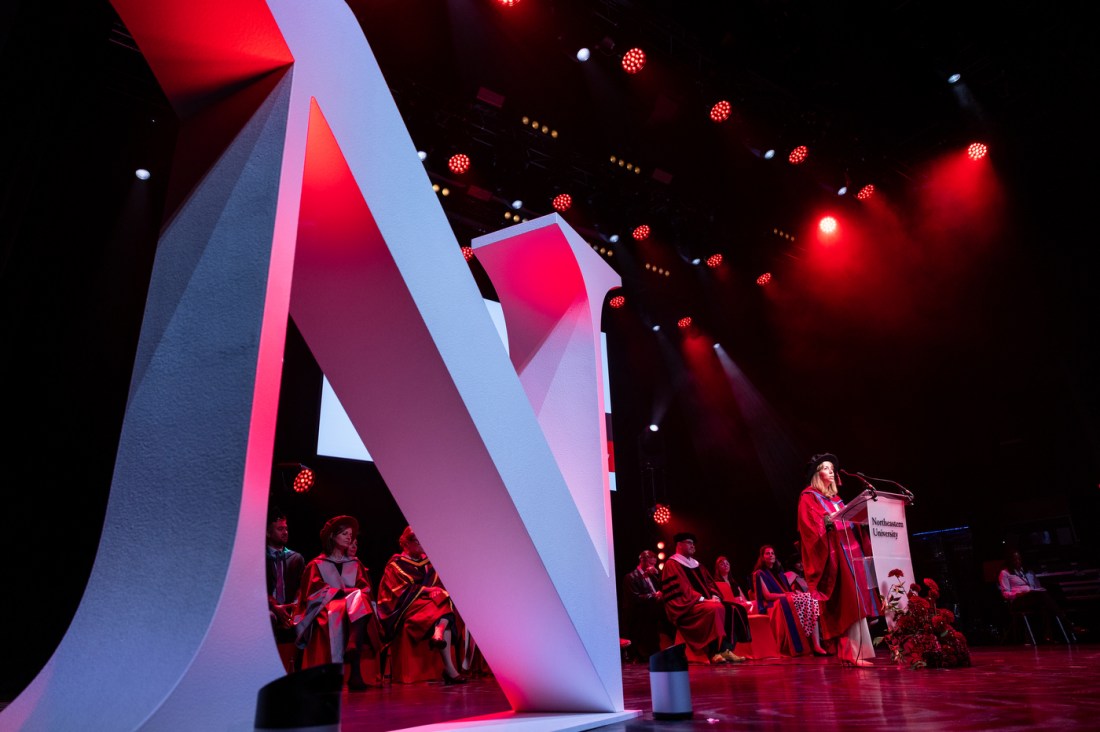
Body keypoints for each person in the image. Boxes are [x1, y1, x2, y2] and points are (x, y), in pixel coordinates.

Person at [797, 452, 879, 667]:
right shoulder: (809, 497)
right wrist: (828, 524)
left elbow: (848, 524)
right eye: (825, 467)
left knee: (857, 602)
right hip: (835, 558)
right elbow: (809, 529)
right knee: (847, 603)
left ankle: (855, 653)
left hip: (851, 555)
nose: (831, 471)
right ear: (816, 474)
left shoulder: (837, 500)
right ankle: (851, 653)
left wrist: (858, 522)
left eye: (832, 468)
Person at [294, 515, 379, 690]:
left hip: (354, 606)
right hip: (326, 606)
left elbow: (366, 590)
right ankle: (354, 670)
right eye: (344, 533)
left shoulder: (356, 563)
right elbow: (312, 594)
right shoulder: (316, 565)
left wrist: (352, 594)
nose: (349, 537)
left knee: (360, 598)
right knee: (350, 603)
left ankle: (353, 648)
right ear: (332, 536)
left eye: (350, 534)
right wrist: (343, 592)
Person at [376, 526, 467, 684]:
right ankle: (448, 664)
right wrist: (425, 590)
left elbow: (439, 585)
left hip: (430, 605)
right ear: (406, 543)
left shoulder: (429, 563)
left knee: (444, 598)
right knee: (442, 603)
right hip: (406, 607)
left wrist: (435, 591)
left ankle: (439, 634)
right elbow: (397, 593)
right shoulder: (395, 564)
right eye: (418, 541)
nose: (423, 545)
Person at [659, 532, 744, 664]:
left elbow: (709, 583)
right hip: (686, 606)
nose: (693, 546)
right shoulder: (672, 564)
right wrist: (704, 600)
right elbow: (681, 590)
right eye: (689, 543)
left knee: (732, 608)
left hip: (703, 602)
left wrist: (714, 596)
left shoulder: (697, 564)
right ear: (679, 545)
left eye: (693, 543)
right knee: (714, 608)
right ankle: (714, 652)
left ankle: (726, 649)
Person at [753, 544, 829, 656]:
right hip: (772, 604)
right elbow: (767, 596)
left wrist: (794, 593)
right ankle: (811, 643)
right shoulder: (759, 574)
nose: (770, 555)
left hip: (785, 599)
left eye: (772, 553)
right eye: (767, 553)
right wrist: (787, 595)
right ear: (762, 557)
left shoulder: (780, 574)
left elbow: (789, 591)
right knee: (802, 599)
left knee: (811, 598)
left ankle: (816, 644)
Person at [998, 550, 1074, 643]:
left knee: (1049, 595)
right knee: (1044, 597)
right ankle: (1068, 624)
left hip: (1033, 598)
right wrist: (1018, 593)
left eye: (1019, 559)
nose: (1017, 561)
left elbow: (1038, 587)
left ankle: (1053, 635)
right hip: (1018, 600)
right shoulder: (1005, 573)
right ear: (1009, 560)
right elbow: (1005, 594)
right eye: (1015, 559)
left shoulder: (1028, 572)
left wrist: (1037, 590)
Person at [266, 509, 305, 649]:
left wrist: (295, 606)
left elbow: (302, 587)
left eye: (286, 528)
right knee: (268, 617)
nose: (285, 532)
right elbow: (254, 588)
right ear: (268, 533)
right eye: (280, 529)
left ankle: (303, 665)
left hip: (291, 608)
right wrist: (274, 606)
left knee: (307, 618)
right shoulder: (259, 558)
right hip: (267, 608)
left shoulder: (296, 558)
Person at [622, 550, 671, 661]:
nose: (652, 566)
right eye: (650, 564)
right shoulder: (631, 577)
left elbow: (662, 589)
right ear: (642, 560)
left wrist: (657, 575)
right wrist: (654, 596)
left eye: (654, 564)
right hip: (640, 617)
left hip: (654, 614)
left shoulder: (652, 576)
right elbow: (634, 598)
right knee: (645, 647)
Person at [712, 556, 754, 655]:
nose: (725, 565)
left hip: (738, 606)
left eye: (727, 563)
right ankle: (728, 649)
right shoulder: (716, 583)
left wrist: (741, 600)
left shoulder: (733, 582)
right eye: (722, 564)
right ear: (717, 568)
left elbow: (743, 598)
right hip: (728, 609)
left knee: (752, 605)